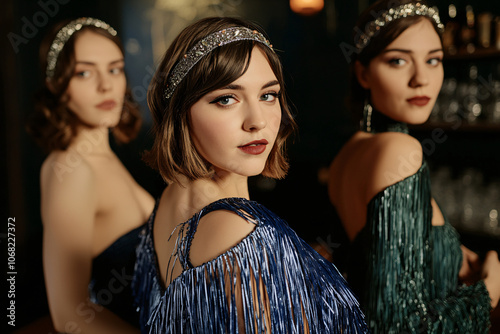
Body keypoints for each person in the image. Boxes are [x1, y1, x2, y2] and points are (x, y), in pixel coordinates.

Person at [132, 16, 368, 333]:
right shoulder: (237, 228)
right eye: (226, 99)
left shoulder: (172, 198)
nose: (257, 121)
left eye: (268, 95)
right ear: (180, 111)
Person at [328, 1, 500, 333]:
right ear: (363, 73)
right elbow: (397, 326)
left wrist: (451, 254)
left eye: (433, 60)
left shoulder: (347, 155)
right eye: (398, 61)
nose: (422, 79)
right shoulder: (399, 150)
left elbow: (381, 259)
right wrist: (488, 293)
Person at [27, 17, 155, 333]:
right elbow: (69, 314)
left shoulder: (104, 157)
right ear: (57, 84)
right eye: (84, 73)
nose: (106, 85)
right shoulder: (68, 170)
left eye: (114, 69)